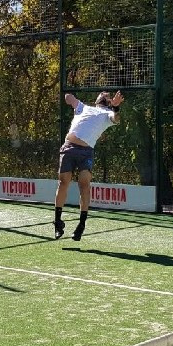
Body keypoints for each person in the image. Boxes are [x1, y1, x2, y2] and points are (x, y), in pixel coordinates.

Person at [54, 90, 124, 240]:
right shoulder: (83, 107)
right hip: (68, 147)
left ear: (109, 102)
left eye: (107, 95)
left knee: (84, 184)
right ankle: (57, 222)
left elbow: (116, 119)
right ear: (97, 99)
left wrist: (116, 107)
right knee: (63, 181)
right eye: (103, 93)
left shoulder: (108, 114)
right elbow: (67, 97)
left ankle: (81, 225)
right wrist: (71, 99)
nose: (105, 94)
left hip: (86, 152)